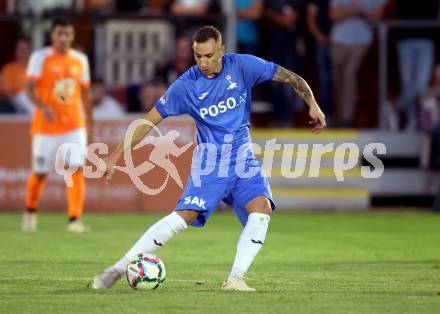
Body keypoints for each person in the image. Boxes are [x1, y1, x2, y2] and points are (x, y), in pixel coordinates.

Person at [90, 26, 325, 291]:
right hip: (211, 163)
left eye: (209, 56)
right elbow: (147, 123)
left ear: (222, 51)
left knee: (262, 209)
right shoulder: (186, 86)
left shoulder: (243, 66)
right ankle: (117, 269)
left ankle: (235, 278)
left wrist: (313, 104)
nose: (202, 62)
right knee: (185, 216)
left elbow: (292, 78)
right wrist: (115, 156)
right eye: (198, 56)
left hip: (244, 160)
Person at [21, 18, 93, 233]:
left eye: (67, 33)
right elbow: (29, 89)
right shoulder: (40, 57)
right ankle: (30, 210)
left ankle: (74, 219)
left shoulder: (80, 60)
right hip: (46, 126)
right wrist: (42, 107)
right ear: (52, 35)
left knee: (76, 169)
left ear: (72, 36)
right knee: (40, 172)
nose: (63, 38)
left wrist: (90, 121)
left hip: (74, 124)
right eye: (59, 33)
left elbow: (85, 92)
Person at [329, 0, 385, 127]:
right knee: (337, 80)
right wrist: (349, 11)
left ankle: (346, 117)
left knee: (349, 73)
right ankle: (338, 114)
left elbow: (378, 16)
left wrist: (360, 12)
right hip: (339, 40)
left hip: (362, 40)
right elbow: (333, 15)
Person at [1, 38, 34, 114]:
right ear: (15, 52)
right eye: (20, 50)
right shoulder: (9, 68)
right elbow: (7, 90)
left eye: (25, 50)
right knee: (22, 96)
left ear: (30, 51)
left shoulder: (35, 68)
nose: (23, 53)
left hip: (33, 97)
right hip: (16, 98)